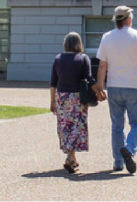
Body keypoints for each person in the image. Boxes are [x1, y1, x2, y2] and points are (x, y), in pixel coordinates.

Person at [94, 5, 137, 174]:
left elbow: (102, 66)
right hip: (134, 86)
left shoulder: (107, 37)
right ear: (129, 19)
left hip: (114, 86)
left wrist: (100, 87)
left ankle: (118, 161)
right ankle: (129, 147)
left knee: (117, 125)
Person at [50, 31, 94, 174]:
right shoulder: (83, 58)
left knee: (65, 126)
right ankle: (70, 157)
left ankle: (71, 156)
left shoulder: (58, 59)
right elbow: (89, 78)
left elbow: (53, 83)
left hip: (61, 96)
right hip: (77, 97)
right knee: (78, 125)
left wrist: (52, 101)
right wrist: (99, 92)